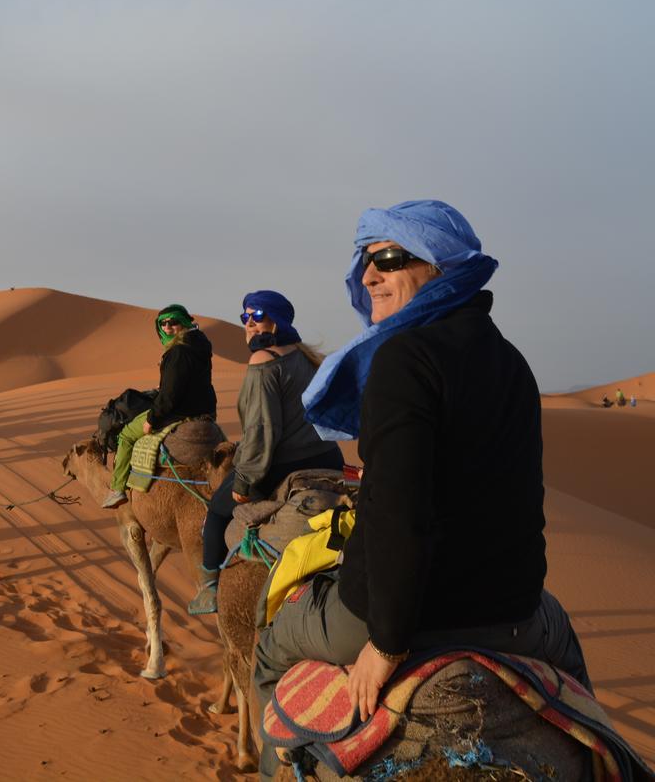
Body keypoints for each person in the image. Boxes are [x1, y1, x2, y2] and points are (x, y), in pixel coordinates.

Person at [253, 200, 591, 778]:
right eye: (365, 260)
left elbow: (397, 513)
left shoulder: (403, 359)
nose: (368, 276)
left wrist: (386, 645)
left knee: (268, 649)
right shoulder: (512, 363)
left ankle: (274, 764)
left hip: (392, 616)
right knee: (577, 685)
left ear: (439, 266)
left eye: (387, 256)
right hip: (513, 614)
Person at [187, 291, 343, 615]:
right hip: (329, 459)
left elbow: (260, 431)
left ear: (277, 320)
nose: (250, 324)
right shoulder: (304, 356)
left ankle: (209, 590)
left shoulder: (263, 361)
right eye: (245, 317)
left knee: (217, 511)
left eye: (258, 316)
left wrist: (244, 484)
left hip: (283, 464)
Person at [102, 304, 217, 509]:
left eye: (172, 322)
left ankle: (117, 488)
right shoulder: (200, 344)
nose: (167, 327)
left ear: (183, 322)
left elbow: (170, 397)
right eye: (162, 323)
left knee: (127, 434)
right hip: (205, 410)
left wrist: (151, 419)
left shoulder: (178, 352)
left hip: (182, 412)